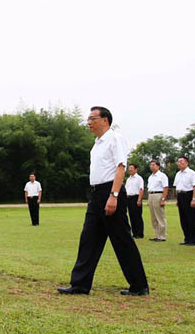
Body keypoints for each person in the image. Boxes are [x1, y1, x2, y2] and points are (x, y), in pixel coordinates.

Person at [58, 107, 149, 296]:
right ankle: (80, 285)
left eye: (93, 118)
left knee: (122, 240)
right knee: (88, 239)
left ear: (105, 120)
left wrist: (113, 196)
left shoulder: (115, 139)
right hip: (96, 195)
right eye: (88, 119)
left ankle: (139, 286)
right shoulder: (96, 143)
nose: (89, 122)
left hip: (110, 192)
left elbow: (120, 168)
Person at [173, 156, 195, 246]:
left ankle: (193, 239)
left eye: (181, 161)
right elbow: (177, 187)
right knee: (183, 218)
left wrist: (193, 199)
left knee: (190, 218)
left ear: (187, 163)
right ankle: (187, 238)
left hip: (189, 195)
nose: (179, 163)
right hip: (180, 196)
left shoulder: (192, 173)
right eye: (178, 162)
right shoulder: (178, 174)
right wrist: (177, 199)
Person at [146, 160, 169, 242]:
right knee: (153, 217)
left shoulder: (162, 176)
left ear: (158, 166)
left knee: (160, 216)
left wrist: (163, 199)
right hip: (151, 195)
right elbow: (149, 188)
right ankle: (156, 235)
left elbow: (165, 188)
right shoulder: (150, 177)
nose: (151, 166)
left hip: (158, 195)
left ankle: (162, 236)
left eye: (153, 165)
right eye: (150, 165)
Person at [124, 164, 145, 239]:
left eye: (131, 168)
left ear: (136, 169)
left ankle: (140, 233)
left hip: (136, 198)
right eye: (129, 168)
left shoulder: (139, 178)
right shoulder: (128, 179)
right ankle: (134, 233)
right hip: (129, 198)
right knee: (131, 216)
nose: (130, 170)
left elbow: (141, 189)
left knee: (137, 216)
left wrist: (139, 199)